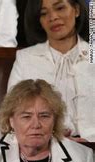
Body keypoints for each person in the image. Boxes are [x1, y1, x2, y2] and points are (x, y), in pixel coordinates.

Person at [8, 0, 94, 141]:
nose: (53, 17)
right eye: (44, 13)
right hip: (46, 149)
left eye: (60, 8)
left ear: (76, 10)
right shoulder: (26, 59)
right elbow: (13, 114)